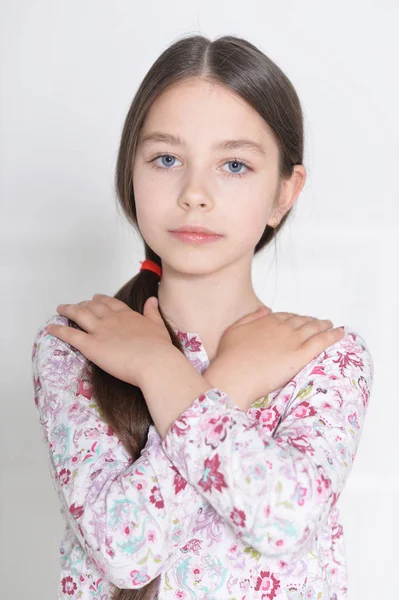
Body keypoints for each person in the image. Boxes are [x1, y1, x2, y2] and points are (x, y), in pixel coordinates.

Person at [31, 33, 373, 600]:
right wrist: (206, 376)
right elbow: (125, 551)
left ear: (284, 193)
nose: (195, 193)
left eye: (234, 165)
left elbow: (283, 521)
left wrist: (171, 374)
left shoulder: (324, 359)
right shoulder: (77, 345)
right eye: (167, 159)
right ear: (130, 174)